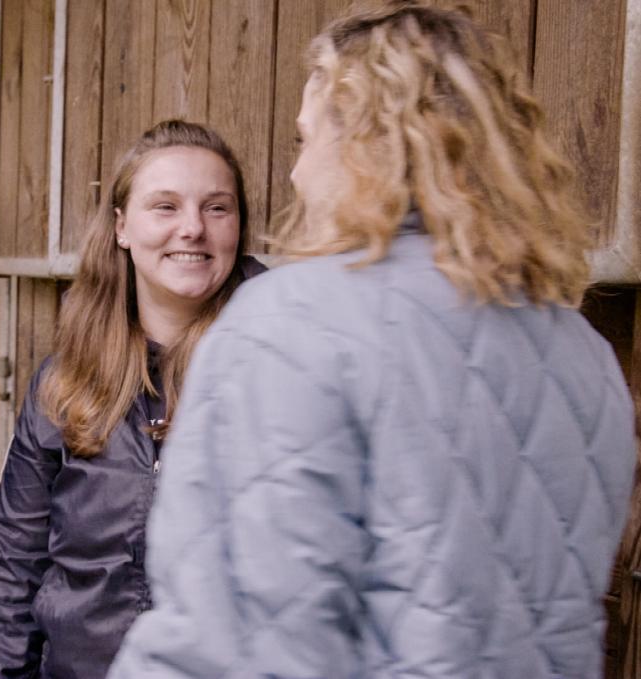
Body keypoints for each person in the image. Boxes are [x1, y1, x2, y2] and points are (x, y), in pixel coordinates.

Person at [108, 3, 636, 678]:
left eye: (305, 140)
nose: (296, 173)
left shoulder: (289, 322)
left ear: (360, 140)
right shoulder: (584, 355)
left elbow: (227, 642)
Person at [0, 120, 265, 678]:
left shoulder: (278, 374)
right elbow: (14, 569)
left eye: (217, 208)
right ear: (122, 227)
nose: (193, 228)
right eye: (165, 206)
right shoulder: (64, 381)